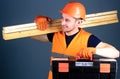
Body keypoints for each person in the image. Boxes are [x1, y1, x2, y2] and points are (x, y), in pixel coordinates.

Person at [31, 1, 119, 79]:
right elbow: (33, 36)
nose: (62, 23)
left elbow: (115, 53)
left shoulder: (87, 39)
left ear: (79, 22)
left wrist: (94, 50)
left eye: (67, 20)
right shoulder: (56, 35)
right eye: (62, 18)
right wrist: (38, 24)